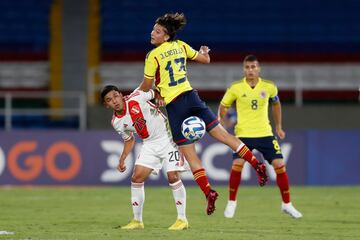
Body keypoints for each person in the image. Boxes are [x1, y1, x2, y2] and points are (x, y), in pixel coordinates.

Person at [138, 12, 268, 215]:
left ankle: (208, 193)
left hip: (175, 106)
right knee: (224, 136)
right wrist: (204, 51)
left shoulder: (152, 55)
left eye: (157, 31)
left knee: (191, 156)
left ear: (165, 37)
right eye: (153, 30)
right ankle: (256, 164)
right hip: (192, 97)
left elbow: (146, 86)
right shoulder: (181, 45)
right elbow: (205, 60)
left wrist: (145, 93)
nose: (152, 33)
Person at [218, 55, 303, 219]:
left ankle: (287, 204)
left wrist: (278, 126)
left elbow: (276, 104)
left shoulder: (269, 87)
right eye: (247, 67)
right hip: (243, 134)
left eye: (253, 67)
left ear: (259, 69)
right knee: (237, 165)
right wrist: (221, 122)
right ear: (244, 69)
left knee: (280, 165)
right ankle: (231, 202)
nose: (250, 70)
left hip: (265, 133)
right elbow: (223, 106)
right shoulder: (235, 88)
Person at [101, 85, 189, 230]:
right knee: (137, 178)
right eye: (109, 100)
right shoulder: (116, 122)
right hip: (149, 144)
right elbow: (129, 139)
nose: (115, 101)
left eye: (116, 96)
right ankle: (137, 221)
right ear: (106, 105)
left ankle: (182, 219)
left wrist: (159, 96)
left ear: (121, 95)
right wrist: (122, 158)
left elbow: (156, 90)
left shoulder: (136, 97)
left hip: (168, 137)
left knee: (173, 176)